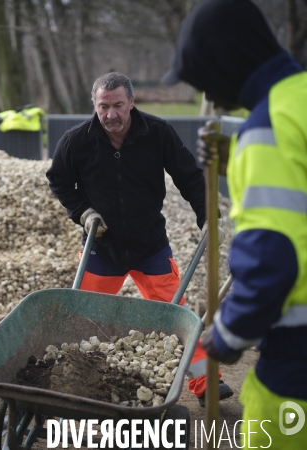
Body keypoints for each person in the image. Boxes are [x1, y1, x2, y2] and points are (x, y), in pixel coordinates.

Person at [163, 0, 307, 446]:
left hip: (295, 363)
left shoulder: (267, 130)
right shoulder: (297, 100)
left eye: (202, 78)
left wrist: (224, 337)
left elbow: (273, 263)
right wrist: (237, 157)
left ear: (224, 63)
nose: (206, 95)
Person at [46, 71, 233, 406]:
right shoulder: (77, 141)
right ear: (95, 104)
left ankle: (207, 383)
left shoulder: (158, 133)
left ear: (132, 102)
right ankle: (68, 383)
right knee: (81, 322)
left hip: (150, 246)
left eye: (118, 105)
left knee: (177, 320)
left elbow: (190, 177)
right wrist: (83, 213)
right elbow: (58, 180)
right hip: (101, 248)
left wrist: (207, 216)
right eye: (104, 106)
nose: (111, 114)